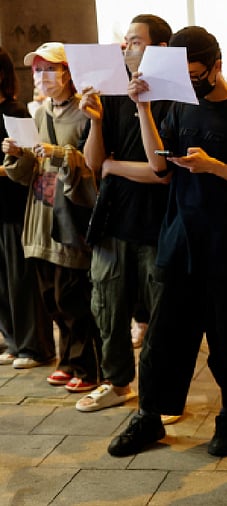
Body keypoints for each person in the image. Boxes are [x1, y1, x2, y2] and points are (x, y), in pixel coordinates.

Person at [107, 26, 227, 458]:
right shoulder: (180, 105)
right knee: (164, 335)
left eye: (195, 73)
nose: (189, 81)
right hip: (180, 237)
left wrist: (214, 166)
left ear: (217, 65)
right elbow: (159, 167)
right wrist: (143, 109)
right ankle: (149, 416)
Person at [74, 14, 173, 413]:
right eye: (126, 42)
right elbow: (93, 163)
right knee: (108, 307)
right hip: (114, 219)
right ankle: (117, 383)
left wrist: (115, 167)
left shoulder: (172, 97)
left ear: (161, 49)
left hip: (158, 223)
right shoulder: (113, 94)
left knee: (162, 314)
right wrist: (96, 122)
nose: (126, 48)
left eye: (135, 41)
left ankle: (162, 393)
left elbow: (163, 172)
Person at [1, 42, 99, 392]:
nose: (42, 76)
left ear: (68, 73)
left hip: (69, 215)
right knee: (50, 298)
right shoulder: (39, 113)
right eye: (37, 70)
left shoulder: (85, 111)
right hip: (40, 214)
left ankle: (86, 367)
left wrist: (59, 154)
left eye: (49, 69)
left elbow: (92, 165)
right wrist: (17, 155)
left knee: (73, 295)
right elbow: (28, 172)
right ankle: (67, 361)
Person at [0, 46, 55, 369]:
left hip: (14, 206)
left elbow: (30, 161)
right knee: (2, 282)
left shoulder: (16, 111)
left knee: (21, 280)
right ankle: (13, 340)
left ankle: (34, 347)